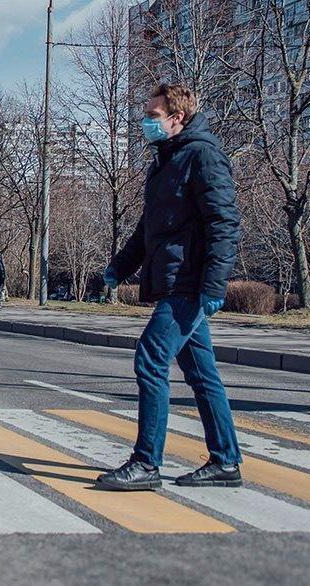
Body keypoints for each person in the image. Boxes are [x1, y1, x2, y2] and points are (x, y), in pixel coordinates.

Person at [97, 83, 242, 491]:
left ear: (178, 118)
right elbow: (149, 229)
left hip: (190, 282)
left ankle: (146, 463)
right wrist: (119, 268)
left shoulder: (203, 156)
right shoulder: (165, 161)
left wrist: (214, 284)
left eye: (154, 116)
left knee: (150, 359)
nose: (146, 122)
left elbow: (224, 224)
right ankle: (226, 461)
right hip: (174, 279)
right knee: (201, 373)